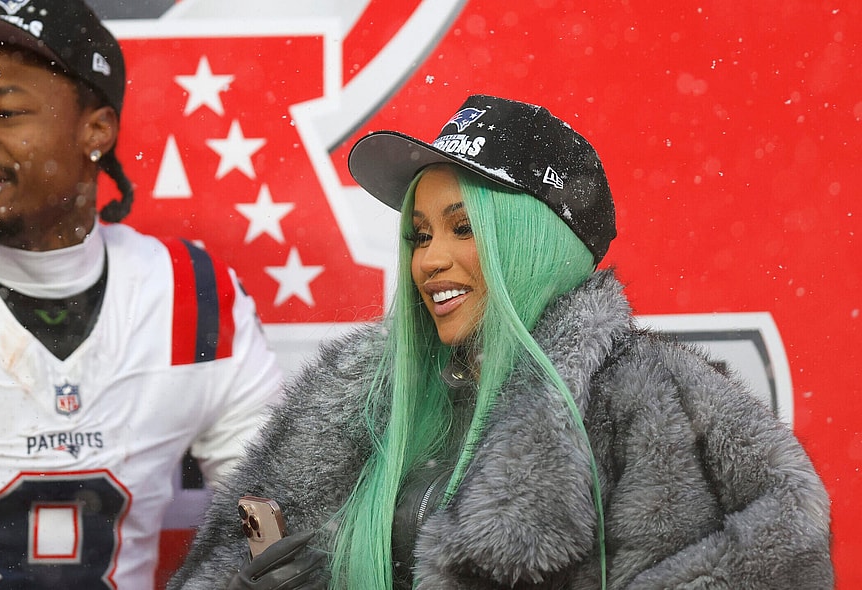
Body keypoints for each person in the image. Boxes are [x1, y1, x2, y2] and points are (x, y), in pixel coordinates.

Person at [167, 95, 833, 589]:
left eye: (464, 228)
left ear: (536, 242)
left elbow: (780, 544)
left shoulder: (654, 403)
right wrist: (261, 577)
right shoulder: (354, 396)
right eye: (420, 235)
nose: (429, 261)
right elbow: (245, 529)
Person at [0, 1, 283, 588]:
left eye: (5, 112)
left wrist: (275, 556)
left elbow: (269, 524)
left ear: (96, 131)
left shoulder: (190, 292)